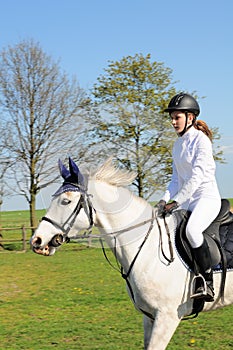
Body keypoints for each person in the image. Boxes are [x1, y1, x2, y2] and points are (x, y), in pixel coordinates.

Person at [157, 92, 221, 302]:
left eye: (177, 117)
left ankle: (207, 282)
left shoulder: (201, 141)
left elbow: (196, 178)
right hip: (188, 199)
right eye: (172, 118)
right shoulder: (177, 145)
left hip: (206, 198)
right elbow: (176, 179)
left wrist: (177, 202)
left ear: (190, 117)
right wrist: (164, 199)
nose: (173, 122)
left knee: (193, 231)